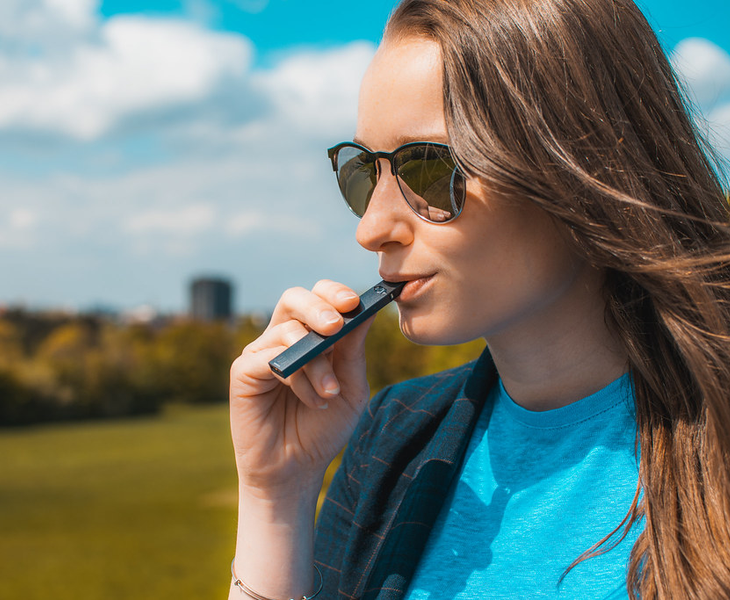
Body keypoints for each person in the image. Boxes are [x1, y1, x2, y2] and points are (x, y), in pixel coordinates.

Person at [228, 0, 730, 598]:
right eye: (363, 172)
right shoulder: (390, 437)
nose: (371, 228)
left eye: (427, 170)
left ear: (581, 165)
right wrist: (275, 497)